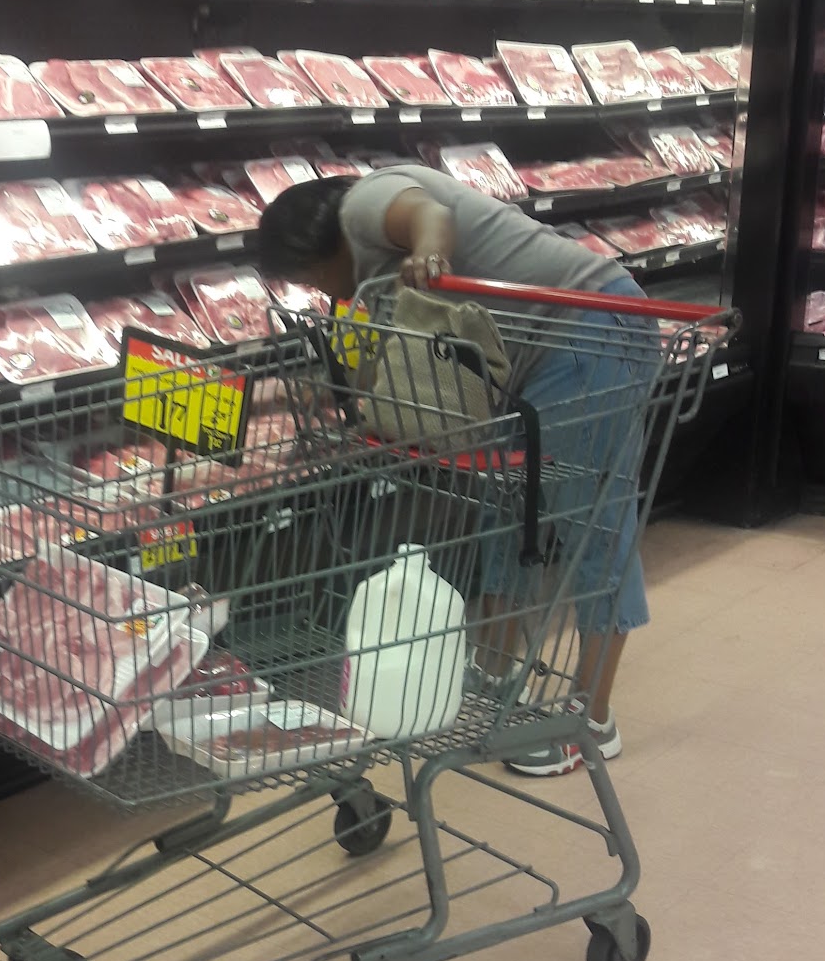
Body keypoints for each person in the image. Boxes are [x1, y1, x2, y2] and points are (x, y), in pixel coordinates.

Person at [255, 166, 657, 776]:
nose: (315, 290)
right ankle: (492, 675)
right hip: (532, 356)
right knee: (501, 513)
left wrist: (430, 252)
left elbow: (428, 214)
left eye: (308, 278)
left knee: (593, 527)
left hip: (592, 330)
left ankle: (591, 721)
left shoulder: (363, 205)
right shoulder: (370, 274)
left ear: (317, 251)